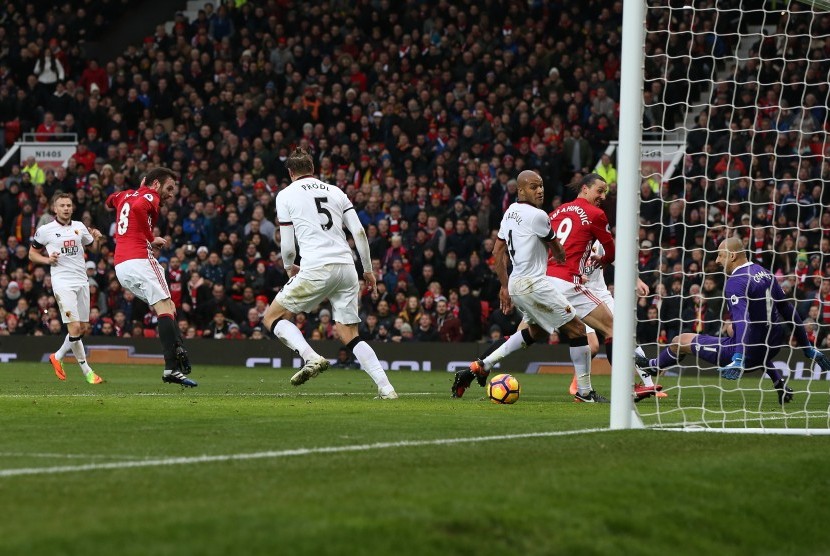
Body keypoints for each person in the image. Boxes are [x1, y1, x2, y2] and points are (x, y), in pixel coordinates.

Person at [452, 170, 602, 401]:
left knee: (535, 332)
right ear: (520, 190)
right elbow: (557, 248)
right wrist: (561, 256)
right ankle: (585, 392)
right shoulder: (539, 216)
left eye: (541, 185)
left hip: (517, 284)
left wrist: (504, 286)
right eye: (533, 187)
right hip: (535, 284)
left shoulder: (510, 212)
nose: (540, 190)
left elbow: (497, 251)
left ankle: (479, 366)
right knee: (578, 330)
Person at [263, 147, 397, 399]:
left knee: (272, 317)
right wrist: (368, 270)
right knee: (349, 333)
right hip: (347, 268)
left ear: (291, 172)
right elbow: (359, 233)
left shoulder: (285, 195)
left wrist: (289, 267)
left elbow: (288, 243)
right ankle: (386, 388)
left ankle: (310, 357)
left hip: (316, 265)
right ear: (314, 169)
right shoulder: (336, 192)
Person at [636, 236, 830, 404]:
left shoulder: (736, 282)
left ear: (732, 255)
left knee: (679, 341)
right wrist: (807, 347)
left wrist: (738, 357)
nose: (717, 260)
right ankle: (779, 382)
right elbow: (788, 310)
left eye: (720, 254)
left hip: (744, 351)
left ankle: (652, 366)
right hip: (771, 345)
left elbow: (741, 320)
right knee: (726, 329)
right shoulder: (763, 272)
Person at [105, 167, 195, 387]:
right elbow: (138, 207)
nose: (172, 194)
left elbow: (110, 200)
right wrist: (151, 237)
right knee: (167, 307)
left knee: (167, 308)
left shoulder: (125, 194)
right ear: (155, 184)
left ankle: (176, 355)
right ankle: (171, 367)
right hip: (140, 260)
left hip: (121, 266)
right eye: (170, 188)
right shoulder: (149, 195)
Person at [567, 239, 665, 401]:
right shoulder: (571, 240)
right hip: (578, 296)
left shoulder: (599, 242)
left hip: (602, 296)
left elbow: (618, 260)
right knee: (593, 346)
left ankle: (648, 384)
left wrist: (637, 280)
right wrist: (575, 277)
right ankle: (579, 386)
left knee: (626, 334)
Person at [29, 193, 104, 384]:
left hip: (82, 280)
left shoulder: (79, 227)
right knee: (75, 327)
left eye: (69, 205)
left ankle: (58, 356)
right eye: (62, 205)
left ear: (72, 208)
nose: (66, 208)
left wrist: (96, 239)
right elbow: (32, 254)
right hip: (62, 281)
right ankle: (87, 371)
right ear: (55, 208)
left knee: (82, 328)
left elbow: (92, 248)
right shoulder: (45, 230)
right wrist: (47, 260)